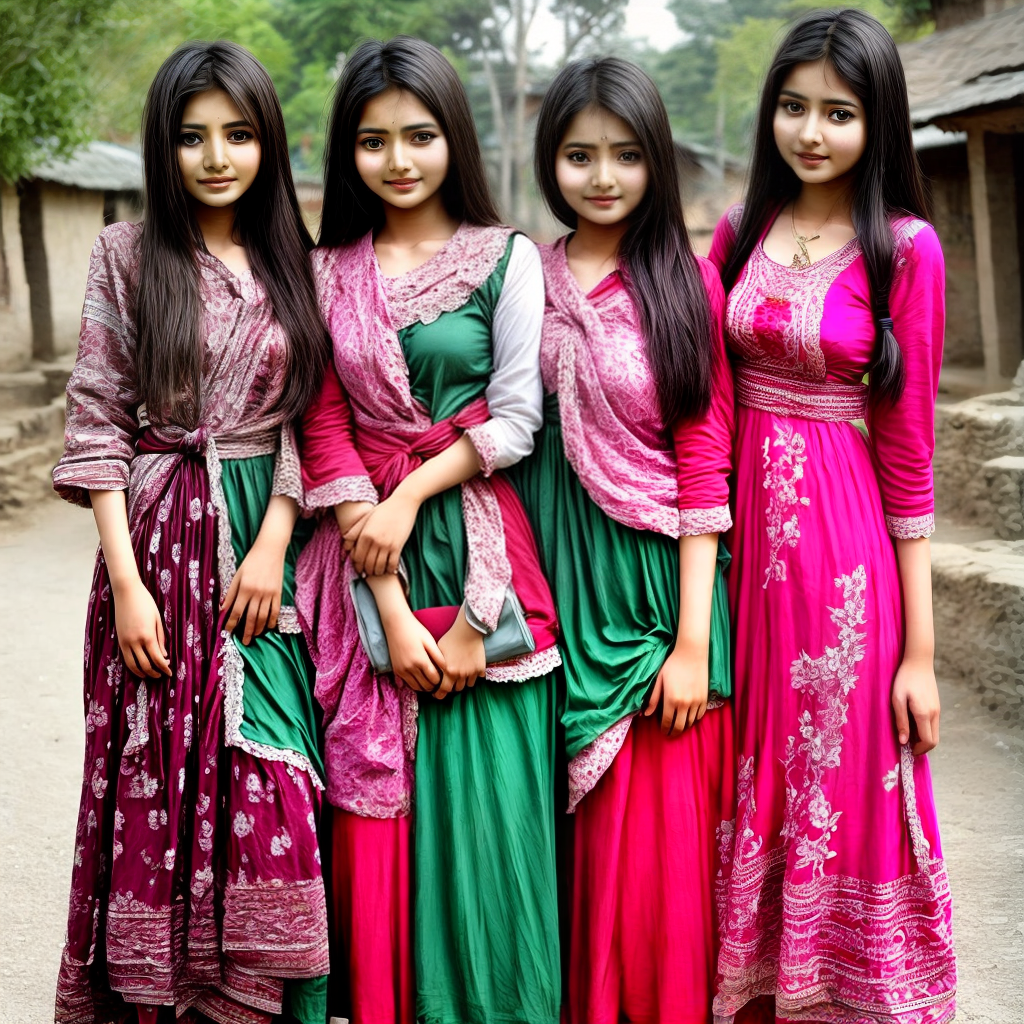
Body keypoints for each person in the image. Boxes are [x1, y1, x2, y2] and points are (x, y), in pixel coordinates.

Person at [52, 41, 332, 1024]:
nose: (216, 156)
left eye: (238, 134)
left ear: (268, 141)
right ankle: (159, 997)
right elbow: (97, 420)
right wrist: (127, 585)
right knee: (154, 773)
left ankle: (249, 996)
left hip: (269, 544)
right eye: (192, 136)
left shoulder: (300, 262)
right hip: (156, 542)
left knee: (276, 773)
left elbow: (311, 419)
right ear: (162, 148)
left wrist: (273, 540)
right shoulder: (127, 255)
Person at [294, 36, 562, 1024]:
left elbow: (518, 418)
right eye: (373, 141)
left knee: (491, 813)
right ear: (347, 152)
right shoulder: (324, 272)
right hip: (363, 558)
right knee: (378, 821)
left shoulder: (506, 257)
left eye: (419, 135)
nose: (398, 159)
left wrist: (410, 497)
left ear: (455, 138)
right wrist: (391, 606)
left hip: (477, 542)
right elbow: (321, 423)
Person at [707, 9, 956, 1023]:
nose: (811, 131)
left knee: (840, 776)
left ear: (877, 120)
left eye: (839, 113)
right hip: (740, 558)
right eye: (794, 107)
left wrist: (921, 655)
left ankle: (851, 993)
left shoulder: (906, 249)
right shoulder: (738, 232)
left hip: (846, 568)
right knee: (747, 767)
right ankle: (762, 989)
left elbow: (909, 454)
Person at [510, 56, 735, 1024]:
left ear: (658, 162)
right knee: (544, 839)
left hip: (647, 596)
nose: (602, 177)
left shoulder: (688, 286)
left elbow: (705, 471)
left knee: (647, 859)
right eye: (579, 155)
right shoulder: (519, 274)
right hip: (541, 581)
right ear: (549, 161)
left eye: (626, 155)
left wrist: (690, 644)